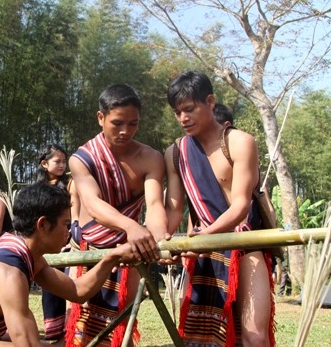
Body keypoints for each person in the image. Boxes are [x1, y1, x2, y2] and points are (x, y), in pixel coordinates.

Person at [0, 182, 138, 347]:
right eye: (65, 225)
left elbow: (77, 291)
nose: (69, 233)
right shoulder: (9, 274)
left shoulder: (25, 255)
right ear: (43, 225)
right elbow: (26, 344)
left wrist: (112, 257)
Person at [164, 70, 274, 346]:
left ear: (210, 101)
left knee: (254, 335)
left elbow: (240, 205)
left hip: (245, 244)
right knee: (197, 337)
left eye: (189, 109)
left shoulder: (240, 142)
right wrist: (159, 239)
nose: (183, 118)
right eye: (177, 113)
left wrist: (206, 236)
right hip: (202, 252)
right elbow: (175, 210)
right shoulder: (175, 152)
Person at [66, 83, 168, 347]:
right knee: (80, 326)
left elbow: (155, 204)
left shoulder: (151, 157)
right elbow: (92, 203)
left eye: (133, 124)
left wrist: (157, 241)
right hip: (89, 248)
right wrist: (131, 226)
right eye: (117, 123)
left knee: (123, 327)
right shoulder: (82, 158)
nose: (125, 131)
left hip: (130, 250)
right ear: (100, 118)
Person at [36, 144, 78, 342]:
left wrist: (71, 236)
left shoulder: (71, 184)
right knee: (49, 285)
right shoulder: (38, 189)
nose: (62, 165)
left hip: (66, 240)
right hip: (44, 242)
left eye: (64, 161)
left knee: (66, 283)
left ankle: (68, 334)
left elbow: (75, 213)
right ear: (44, 164)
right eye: (57, 161)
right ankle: (54, 335)